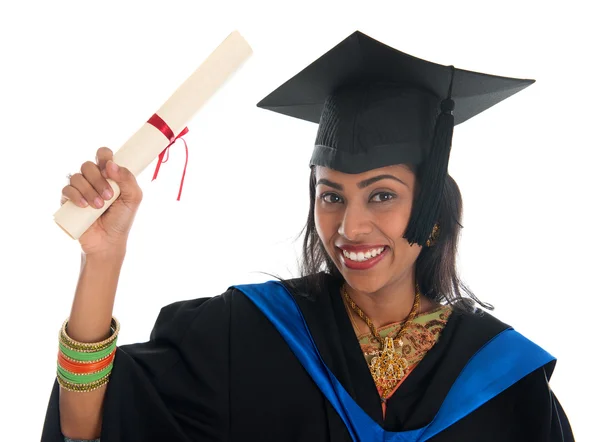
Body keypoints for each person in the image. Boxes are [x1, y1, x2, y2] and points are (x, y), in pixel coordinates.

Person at [41, 31, 574, 441]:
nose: (350, 226)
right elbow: (87, 427)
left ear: (432, 207)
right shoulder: (250, 334)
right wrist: (104, 256)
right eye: (331, 195)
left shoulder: (506, 385)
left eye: (382, 195)